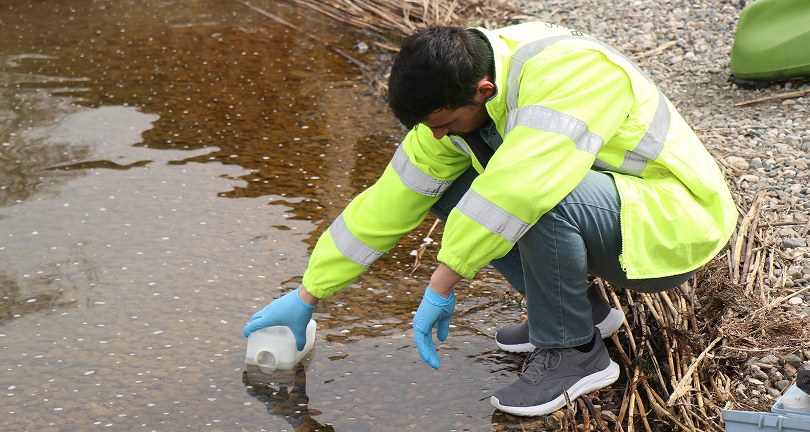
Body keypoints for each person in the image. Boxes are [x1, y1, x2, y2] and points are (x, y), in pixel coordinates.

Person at [243, 21, 738, 417]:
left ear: (482, 90)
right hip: (613, 213)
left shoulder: (572, 73)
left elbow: (520, 190)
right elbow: (387, 202)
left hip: (675, 222)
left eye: (444, 125)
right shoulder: (461, 83)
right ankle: (581, 311)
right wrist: (309, 292)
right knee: (444, 189)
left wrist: (441, 283)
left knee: (533, 196)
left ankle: (575, 350)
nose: (438, 137)